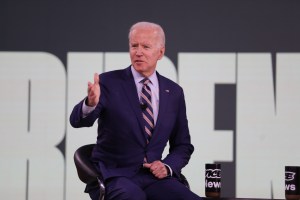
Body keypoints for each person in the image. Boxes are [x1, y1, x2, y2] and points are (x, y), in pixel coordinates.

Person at [70, 21, 202, 200]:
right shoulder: (108, 82)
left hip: (153, 178)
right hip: (114, 176)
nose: (138, 52)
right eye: (134, 46)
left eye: (146, 46)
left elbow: (182, 145)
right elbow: (78, 121)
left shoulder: (174, 92)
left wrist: (167, 166)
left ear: (160, 52)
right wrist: (91, 102)